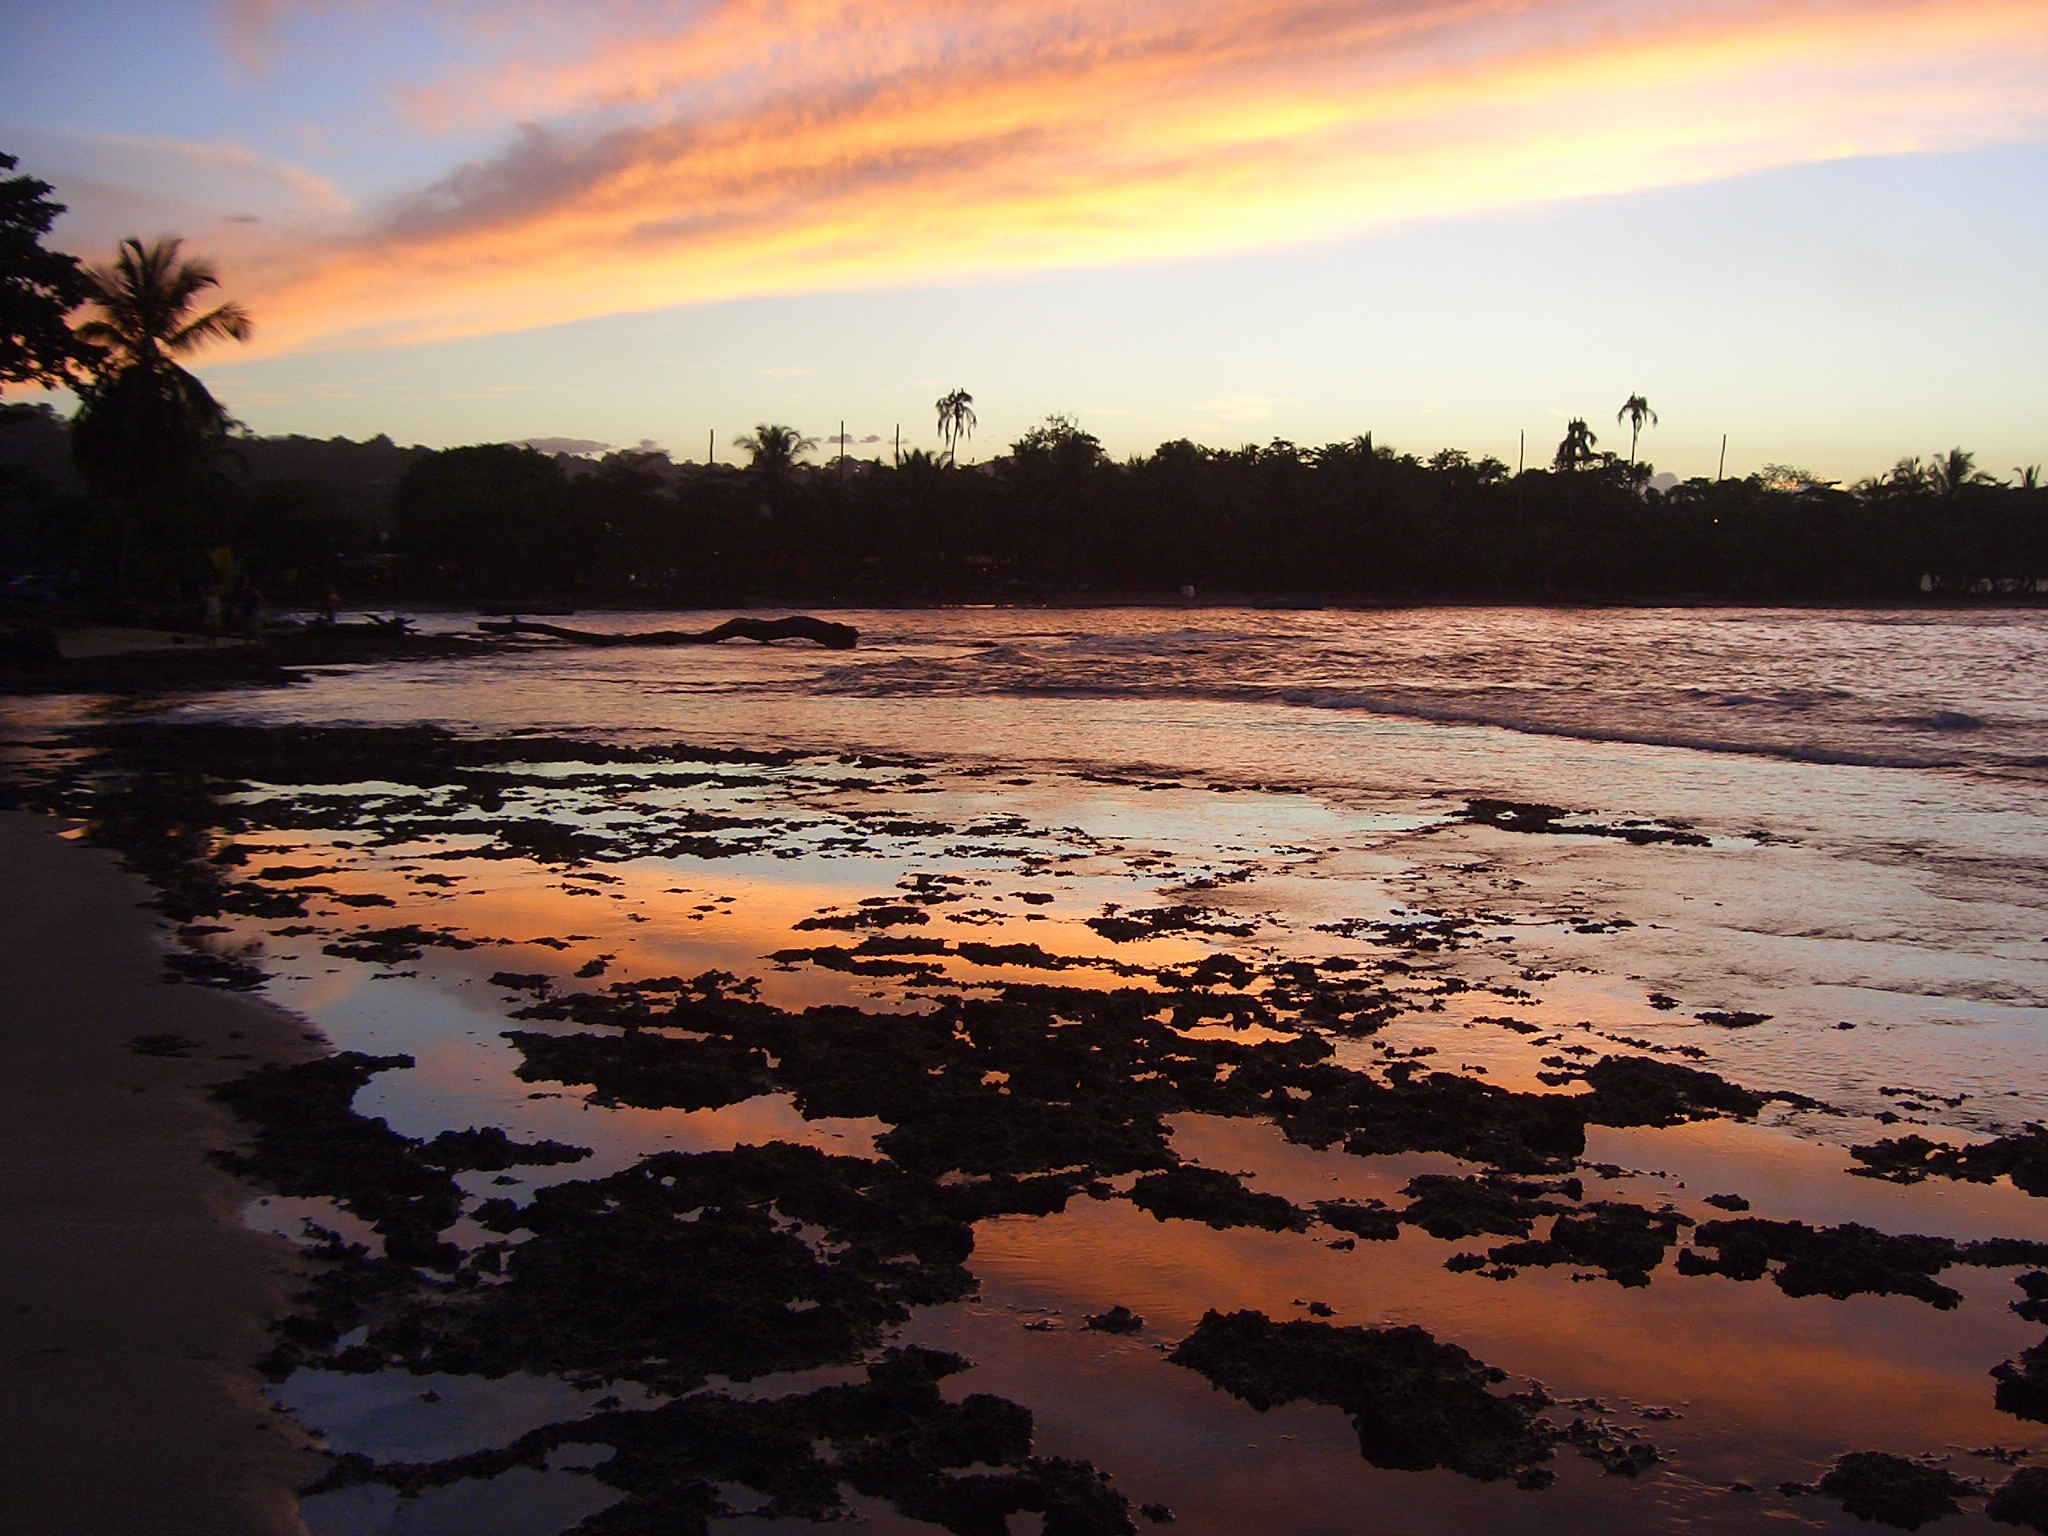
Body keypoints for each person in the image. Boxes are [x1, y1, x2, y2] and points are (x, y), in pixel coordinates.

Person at [238, 582, 264, 648]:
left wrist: (258, 608)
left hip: (252, 613)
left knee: (255, 629)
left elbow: (259, 597)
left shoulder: (252, 591)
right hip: (246, 613)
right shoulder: (243, 593)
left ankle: (261, 645)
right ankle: (247, 646)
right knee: (246, 630)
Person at [201, 584, 224, 649]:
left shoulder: (217, 598)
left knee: (215, 632)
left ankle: (214, 645)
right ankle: (207, 646)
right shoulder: (207, 598)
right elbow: (203, 595)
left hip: (216, 616)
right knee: (208, 632)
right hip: (210, 616)